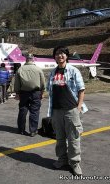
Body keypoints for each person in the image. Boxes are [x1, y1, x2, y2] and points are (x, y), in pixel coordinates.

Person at [46, 46, 88, 176]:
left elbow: (81, 89)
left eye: (62, 53)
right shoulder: (52, 72)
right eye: (57, 54)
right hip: (57, 111)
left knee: (74, 138)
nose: (60, 56)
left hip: (71, 110)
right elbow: (49, 90)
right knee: (59, 138)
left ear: (67, 56)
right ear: (54, 57)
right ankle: (62, 160)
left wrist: (79, 106)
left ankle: (74, 163)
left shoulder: (73, 70)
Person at [14, 54, 46, 137]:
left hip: (23, 93)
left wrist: (17, 93)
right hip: (36, 93)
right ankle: (33, 131)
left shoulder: (20, 69)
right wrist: (42, 92)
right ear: (33, 59)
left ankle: (21, 130)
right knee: (34, 112)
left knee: (22, 111)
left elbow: (17, 83)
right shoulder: (38, 69)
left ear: (26, 59)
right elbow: (42, 83)